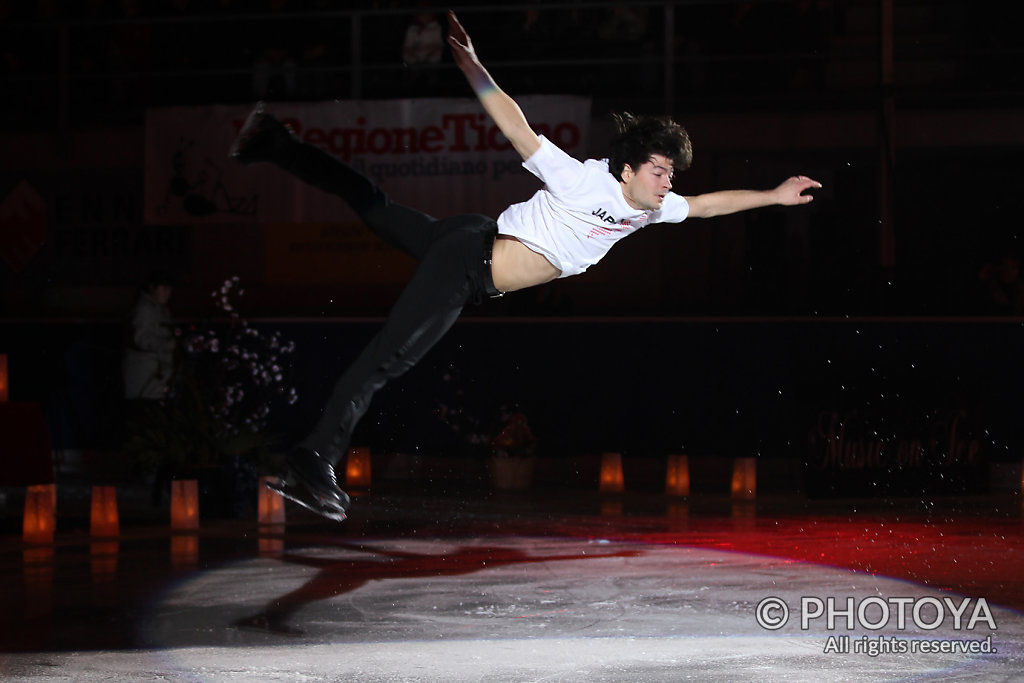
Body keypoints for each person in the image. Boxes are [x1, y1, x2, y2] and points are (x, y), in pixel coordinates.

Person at [229, 11, 821, 521]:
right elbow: (516, 127)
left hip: (471, 242)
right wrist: (475, 70)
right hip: (468, 262)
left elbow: (708, 206)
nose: (670, 184)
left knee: (375, 206)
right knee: (386, 359)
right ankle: (314, 462)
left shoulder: (651, 210)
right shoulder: (583, 179)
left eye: (672, 175)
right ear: (628, 169)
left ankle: (275, 142)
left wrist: (773, 196)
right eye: (662, 171)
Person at [122, 270, 176, 401]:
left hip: (157, 380)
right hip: (145, 380)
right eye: (163, 288)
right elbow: (142, 339)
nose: (167, 293)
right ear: (152, 288)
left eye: (169, 289)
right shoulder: (144, 309)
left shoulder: (161, 310)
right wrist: (169, 344)